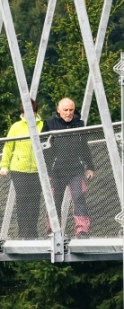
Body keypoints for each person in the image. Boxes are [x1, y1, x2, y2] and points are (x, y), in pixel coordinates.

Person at [43, 97, 95, 237]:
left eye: (71, 110)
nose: (68, 113)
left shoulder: (80, 124)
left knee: (79, 198)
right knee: (55, 200)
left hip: (76, 170)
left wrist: (90, 167)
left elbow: (84, 147)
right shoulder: (49, 124)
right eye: (65, 110)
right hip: (56, 171)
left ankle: (82, 231)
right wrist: (46, 171)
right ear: (58, 110)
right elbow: (44, 150)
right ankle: (53, 231)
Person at [0, 100, 44, 238]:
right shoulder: (16, 127)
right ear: (22, 112)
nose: (29, 115)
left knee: (35, 200)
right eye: (26, 113)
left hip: (38, 170)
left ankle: (32, 231)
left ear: (36, 112)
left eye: (32, 112)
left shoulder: (43, 126)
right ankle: (23, 231)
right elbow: (8, 147)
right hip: (19, 169)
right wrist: (4, 166)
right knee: (23, 199)